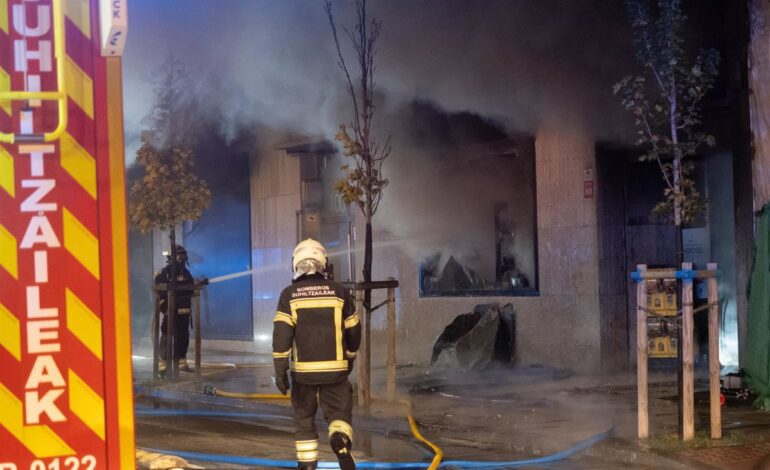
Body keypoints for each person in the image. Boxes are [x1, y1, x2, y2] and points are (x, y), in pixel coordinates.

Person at [273, 239, 361, 470]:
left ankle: (308, 465)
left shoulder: (288, 295)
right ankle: (340, 439)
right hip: (336, 372)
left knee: (304, 419)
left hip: (303, 375)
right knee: (339, 412)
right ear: (324, 263)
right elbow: (354, 329)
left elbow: (282, 335)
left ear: (296, 263)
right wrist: (350, 356)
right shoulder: (340, 292)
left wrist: (280, 371)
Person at [156, 244, 196, 376]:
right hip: (171, 310)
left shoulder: (186, 272)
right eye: (180, 255)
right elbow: (159, 291)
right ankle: (163, 365)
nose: (183, 258)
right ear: (172, 257)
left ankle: (181, 363)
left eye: (184, 255)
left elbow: (191, 287)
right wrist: (165, 309)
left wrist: (199, 283)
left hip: (184, 312)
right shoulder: (165, 273)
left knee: (183, 337)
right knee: (167, 336)